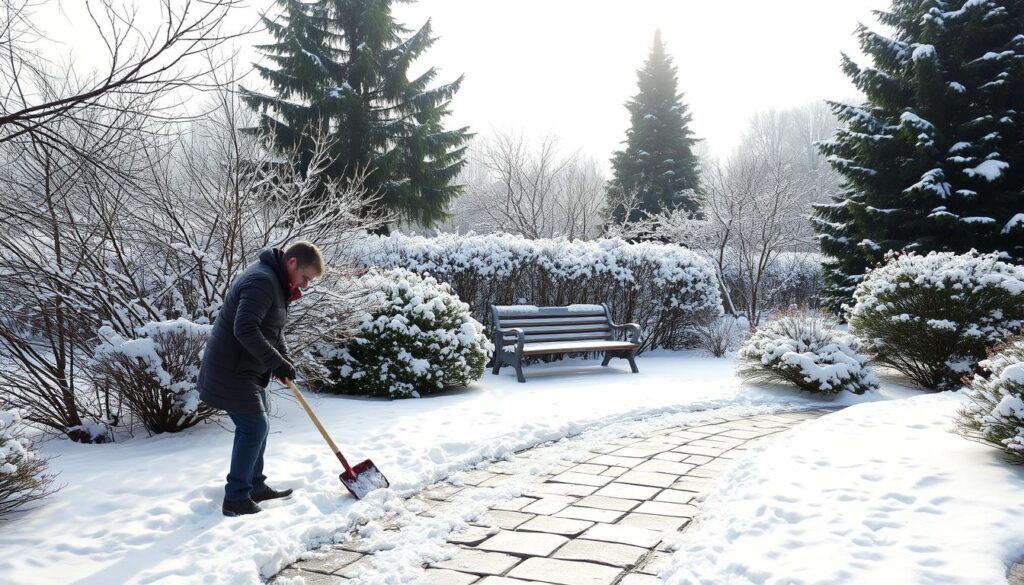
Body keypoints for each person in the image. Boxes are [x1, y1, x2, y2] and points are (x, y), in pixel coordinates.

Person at [198, 241, 324, 517]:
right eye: (305, 277)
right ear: (292, 263)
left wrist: (284, 362)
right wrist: (276, 363)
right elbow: (244, 329)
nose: (305, 285)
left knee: (259, 424)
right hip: (230, 369)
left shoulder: (276, 282)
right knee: (254, 426)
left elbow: (272, 330)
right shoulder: (262, 282)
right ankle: (236, 498)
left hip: (246, 368)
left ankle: (254, 485)